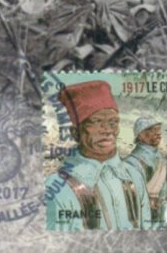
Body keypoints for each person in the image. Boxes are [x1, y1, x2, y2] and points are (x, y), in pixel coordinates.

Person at [45, 80, 151, 230]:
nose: (107, 130)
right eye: (96, 122)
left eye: (113, 122)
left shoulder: (134, 175)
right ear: (75, 133)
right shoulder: (58, 187)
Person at [45, 0, 139, 70]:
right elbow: (61, 25)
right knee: (64, 59)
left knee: (104, 62)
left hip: (107, 44)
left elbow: (125, 25)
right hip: (78, 42)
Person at [125, 118, 167, 229]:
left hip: (163, 216)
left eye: (158, 129)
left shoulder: (162, 159)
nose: (158, 133)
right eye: (152, 130)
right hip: (142, 220)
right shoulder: (132, 163)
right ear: (140, 135)